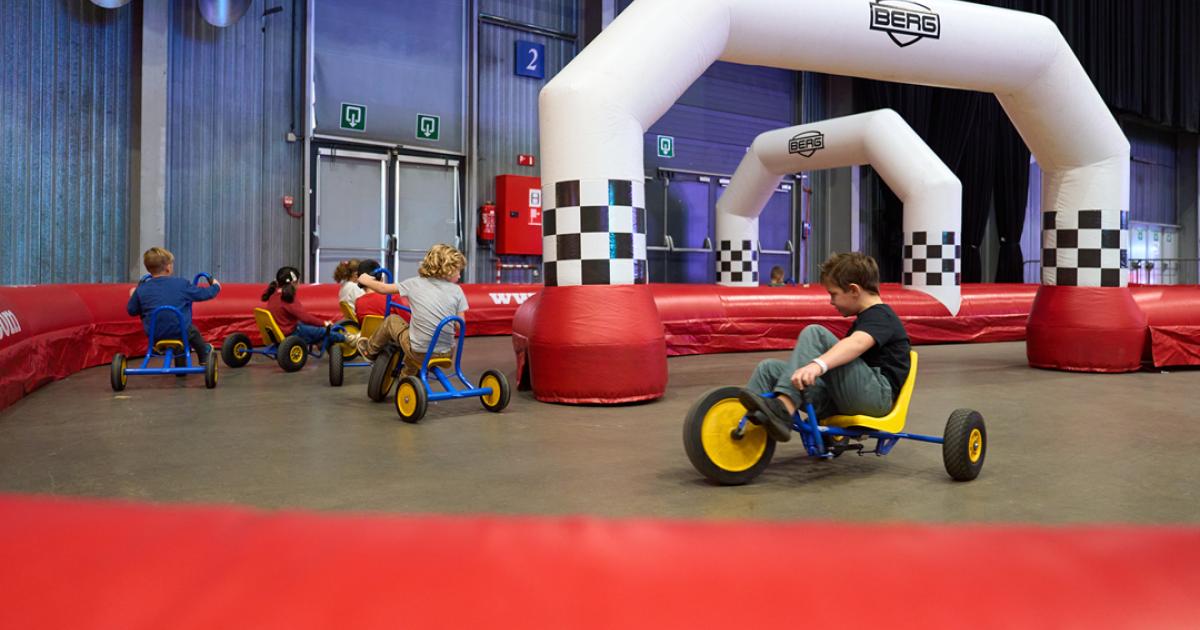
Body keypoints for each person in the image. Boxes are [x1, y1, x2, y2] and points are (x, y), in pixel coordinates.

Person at [738, 252, 911, 442]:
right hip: (848, 396)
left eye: (833, 294)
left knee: (816, 333)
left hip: (876, 398)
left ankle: (784, 407)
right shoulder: (864, 320)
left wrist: (817, 365)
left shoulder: (882, 316)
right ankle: (740, 428)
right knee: (768, 369)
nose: (831, 301)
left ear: (854, 290)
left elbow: (857, 343)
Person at [352, 244, 468, 378]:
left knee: (392, 321)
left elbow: (383, 289)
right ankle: (407, 378)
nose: (460, 275)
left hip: (419, 351)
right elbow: (459, 325)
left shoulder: (414, 283)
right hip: (446, 353)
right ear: (447, 270)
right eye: (458, 271)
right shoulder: (457, 291)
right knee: (415, 340)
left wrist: (365, 280)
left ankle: (370, 350)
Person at [126, 247, 221, 364]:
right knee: (192, 330)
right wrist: (216, 286)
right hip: (181, 332)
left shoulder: (142, 289)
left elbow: (132, 310)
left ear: (148, 268)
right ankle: (204, 354)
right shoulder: (181, 284)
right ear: (168, 267)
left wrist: (133, 295)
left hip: (154, 334)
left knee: (179, 329)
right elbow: (203, 294)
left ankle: (180, 361)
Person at [261, 266, 344, 346]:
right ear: (293, 283)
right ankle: (346, 338)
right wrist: (324, 323)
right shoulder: (287, 298)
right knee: (323, 331)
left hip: (280, 331)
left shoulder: (273, 295)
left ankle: (321, 341)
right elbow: (305, 318)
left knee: (308, 326)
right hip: (291, 333)